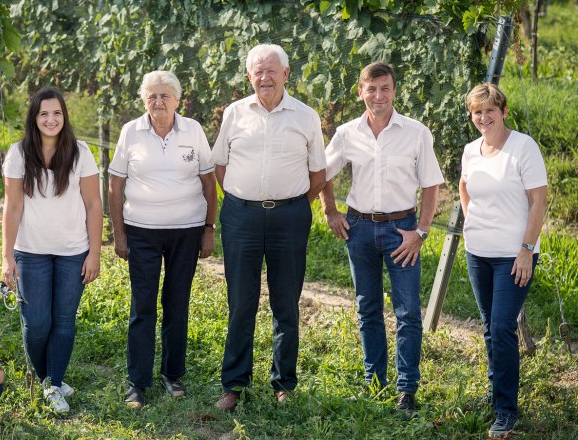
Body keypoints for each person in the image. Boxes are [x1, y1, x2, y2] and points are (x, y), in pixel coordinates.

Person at [318, 62, 444, 414]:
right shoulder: (346, 132)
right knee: (367, 308)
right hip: (358, 228)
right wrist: (330, 212)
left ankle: (407, 390)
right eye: (371, 89)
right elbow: (323, 173)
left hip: (400, 231)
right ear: (360, 92)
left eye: (385, 88)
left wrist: (421, 231)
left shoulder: (416, 132)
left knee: (407, 312)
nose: (378, 96)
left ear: (394, 91)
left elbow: (431, 184)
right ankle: (374, 381)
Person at [211, 44, 327, 411]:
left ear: (286, 74)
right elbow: (220, 165)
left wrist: (289, 205)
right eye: (257, 72)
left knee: (286, 303)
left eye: (271, 71)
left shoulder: (306, 117)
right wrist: (246, 200)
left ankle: (284, 383)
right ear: (249, 76)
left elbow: (319, 173)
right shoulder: (234, 114)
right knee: (240, 302)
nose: (264, 77)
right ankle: (233, 385)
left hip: (289, 218)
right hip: (241, 216)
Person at [109, 71, 217, 409]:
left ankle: (172, 375)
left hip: (186, 230)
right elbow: (115, 186)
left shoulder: (193, 130)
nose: (158, 102)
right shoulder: (131, 132)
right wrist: (119, 233)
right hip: (141, 230)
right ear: (144, 100)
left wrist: (209, 228)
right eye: (152, 96)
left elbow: (209, 182)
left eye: (165, 96)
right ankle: (137, 382)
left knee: (176, 303)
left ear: (177, 100)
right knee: (142, 307)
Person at [1, 87, 102, 415]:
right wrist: (6, 258)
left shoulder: (81, 152)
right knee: (37, 322)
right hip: (30, 252)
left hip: (73, 251)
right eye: (44, 113)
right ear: (34, 118)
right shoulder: (18, 153)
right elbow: (12, 208)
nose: (51, 119)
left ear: (64, 117)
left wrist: (95, 253)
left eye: (56, 113)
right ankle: (48, 378)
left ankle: (54, 382)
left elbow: (93, 204)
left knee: (63, 320)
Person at [459, 83, 547, 438]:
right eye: (477, 112)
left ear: (504, 111)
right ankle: (498, 396)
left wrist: (527, 249)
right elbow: (465, 187)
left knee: (501, 327)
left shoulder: (523, 147)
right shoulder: (470, 150)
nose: (483, 118)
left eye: (490, 110)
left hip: (514, 256)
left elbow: (538, 201)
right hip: (477, 252)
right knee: (488, 327)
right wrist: (472, 224)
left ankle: (507, 411)